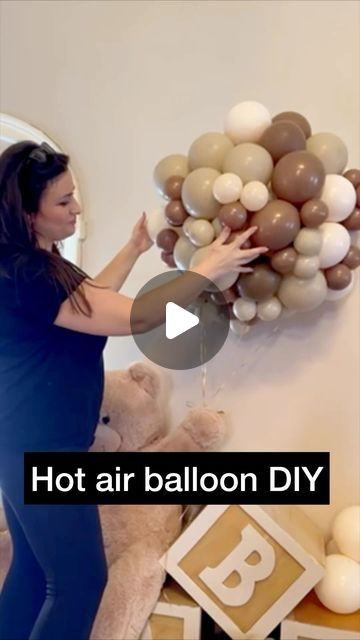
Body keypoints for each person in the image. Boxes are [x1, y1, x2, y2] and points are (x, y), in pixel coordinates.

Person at [0, 140, 267, 640]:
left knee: (34, 574)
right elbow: (138, 317)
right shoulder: (26, 274)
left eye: (73, 195)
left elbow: (88, 303)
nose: (76, 207)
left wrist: (134, 250)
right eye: (62, 201)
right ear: (26, 212)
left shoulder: (34, 264)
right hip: (41, 450)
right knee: (80, 583)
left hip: (25, 445)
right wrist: (203, 272)